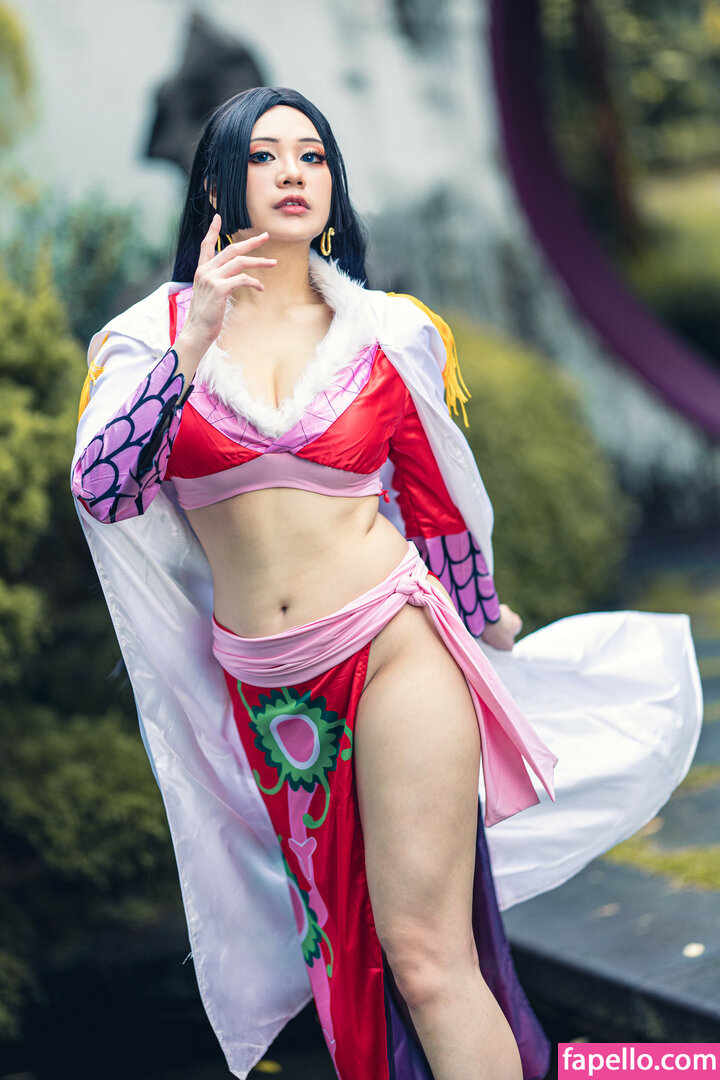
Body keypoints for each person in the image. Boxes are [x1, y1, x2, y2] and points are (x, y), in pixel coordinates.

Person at [70, 87, 703, 1080]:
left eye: (312, 155)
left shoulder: (384, 333)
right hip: (272, 689)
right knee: (342, 958)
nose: (292, 173)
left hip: (395, 646)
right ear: (215, 186)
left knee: (424, 955)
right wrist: (192, 347)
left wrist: (483, 615)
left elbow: (435, 504)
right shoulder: (148, 339)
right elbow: (104, 489)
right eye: (265, 155)